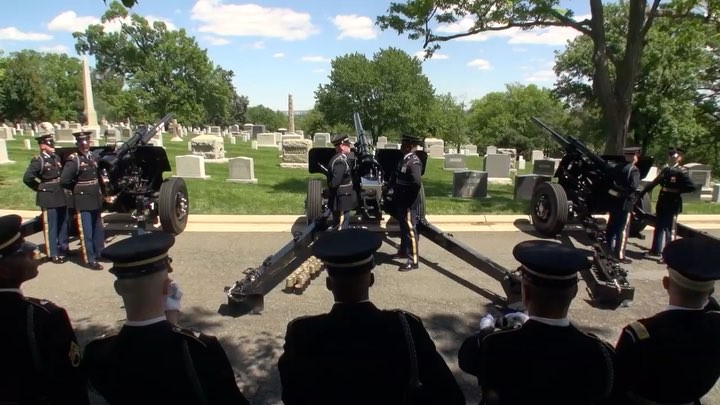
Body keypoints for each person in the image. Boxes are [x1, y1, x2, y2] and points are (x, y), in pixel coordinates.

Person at [278, 228, 465, 405]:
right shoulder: (406, 327)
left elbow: (292, 395)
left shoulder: (302, 333)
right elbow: (450, 396)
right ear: (371, 280)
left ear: (329, 284)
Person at [82, 232, 250, 405]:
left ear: (118, 288)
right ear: (167, 289)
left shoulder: (96, 353)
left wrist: (171, 324)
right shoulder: (199, 350)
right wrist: (172, 325)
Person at [458, 240, 615, 404]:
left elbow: (466, 359)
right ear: (574, 292)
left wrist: (486, 331)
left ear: (525, 292)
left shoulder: (494, 344)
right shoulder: (601, 354)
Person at [612, 237, 720, 404]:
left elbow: (617, 388)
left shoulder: (640, 334)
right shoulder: (715, 326)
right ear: (711, 290)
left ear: (666, 283)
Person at [0, 214, 88, 404]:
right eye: (21, 252)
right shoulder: (45, 316)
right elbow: (70, 386)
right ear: (3, 271)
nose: (32, 253)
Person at [640, 147, 697, 263]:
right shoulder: (666, 170)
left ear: (679, 158)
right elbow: (654, 183)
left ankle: (669, 256)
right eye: (670, 156)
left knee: (669, 231)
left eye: (674, 157)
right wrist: (641, 194)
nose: (671, 158)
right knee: (659, 227)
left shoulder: (681, 172)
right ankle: (655, 250)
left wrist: (677, 190)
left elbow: (692, 187)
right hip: (662, 203)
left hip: (672, 204)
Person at [60, 130, 105, 270]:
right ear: (77, 144)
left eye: (86, 141)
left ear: (90, 142)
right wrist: (78, 189)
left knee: (98, 228)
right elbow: (64, 180)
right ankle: (90, 258)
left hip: (95, 197)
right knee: (87, 231)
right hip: (83, 198)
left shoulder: (92, 156)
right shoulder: (75, 160)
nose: (84, 144)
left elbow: (97, 176)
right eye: (81, 142)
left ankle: (100, 252)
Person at [23, 133, 69, 264]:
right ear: (42, 146)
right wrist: (40, 188)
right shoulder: (39, 160)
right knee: (51, 226)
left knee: (63, 223)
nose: (52, 146)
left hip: (60, 194)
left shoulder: (56, 157)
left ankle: (64, 247)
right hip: (48, 196)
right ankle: (53, 252)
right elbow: (27, 178)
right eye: (49, 144)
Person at [390, 134, 424, 272]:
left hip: (408, 202)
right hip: (401, 200)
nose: (402, 145)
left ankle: (413, 260)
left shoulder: (413, 161)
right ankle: (403, 251)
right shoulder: (404, 160)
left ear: (410, 145)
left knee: (410, 230)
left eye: (404, 143)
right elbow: (397, 176)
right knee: (404, 228)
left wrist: (409, 199)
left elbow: (416, 182)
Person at [606, 146, 641, 264]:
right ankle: (619, 255)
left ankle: (608, 250)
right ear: (633, 156)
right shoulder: (633, 170)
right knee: (623, 229)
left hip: (614, 201)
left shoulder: (617, 168)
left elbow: (609, 181)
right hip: (625, 203)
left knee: (611, 226)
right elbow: (634, 186)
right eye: (636, 155)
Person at [327, 134, 356, 230]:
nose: (349, 146)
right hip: (342, 194)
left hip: (344, 194)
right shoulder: (340, 161)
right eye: (347, 145)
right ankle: (341, 238)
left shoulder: (342, 158)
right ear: (341, 146)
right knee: (342, 222)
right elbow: (335, 182)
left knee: (341, 220)